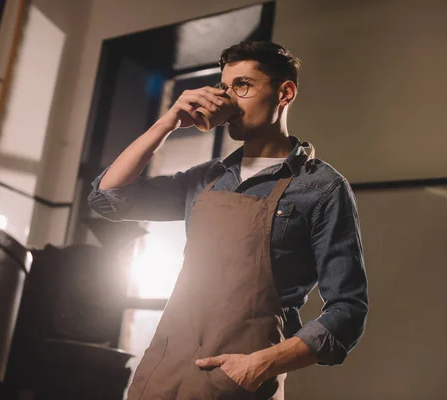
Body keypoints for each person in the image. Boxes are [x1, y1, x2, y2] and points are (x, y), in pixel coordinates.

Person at [88, 40, 369, 400]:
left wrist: (260, 366)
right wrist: (168, 122)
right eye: (225, 87)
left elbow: (348, 310)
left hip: (239, 381)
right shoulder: (207, 177)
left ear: (285, 93)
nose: (230, 99)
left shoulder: (322, 189)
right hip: (163, 372)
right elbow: (109, 198)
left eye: (243, 85)